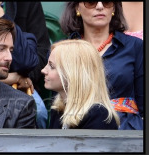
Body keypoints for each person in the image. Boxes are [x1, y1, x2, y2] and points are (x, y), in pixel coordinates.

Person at [60, 2, 143, 130]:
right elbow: (58, 103)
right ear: (77, 8)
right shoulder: (62, 50)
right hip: (78, 129)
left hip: (124, 131)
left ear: (114, 8)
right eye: (91, 2)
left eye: (107, 2)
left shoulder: (135, 46)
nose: (100, 6)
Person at [41, 40, 120, 129]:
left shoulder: (99, 116)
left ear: (73, 73)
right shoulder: (59, 109)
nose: (43, 70)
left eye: (51, 66)